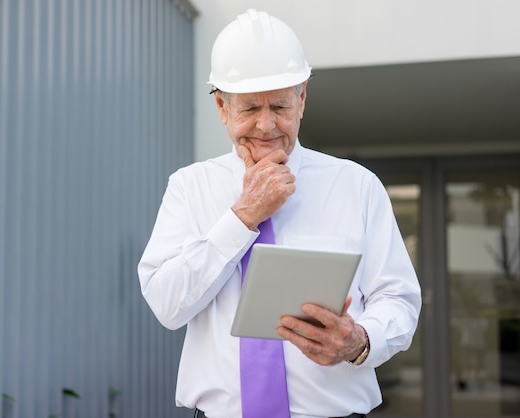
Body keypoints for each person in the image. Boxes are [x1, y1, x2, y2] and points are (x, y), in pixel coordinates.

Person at [138, 9, 421, 418]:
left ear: (302, 98)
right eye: (250, 108)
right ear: (222, 108)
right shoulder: (189, 188)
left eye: (280, 106)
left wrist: (360, 340)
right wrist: (243, 216)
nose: (267, 125)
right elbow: (167, 304)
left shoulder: (357, 187)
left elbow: (398, 299)